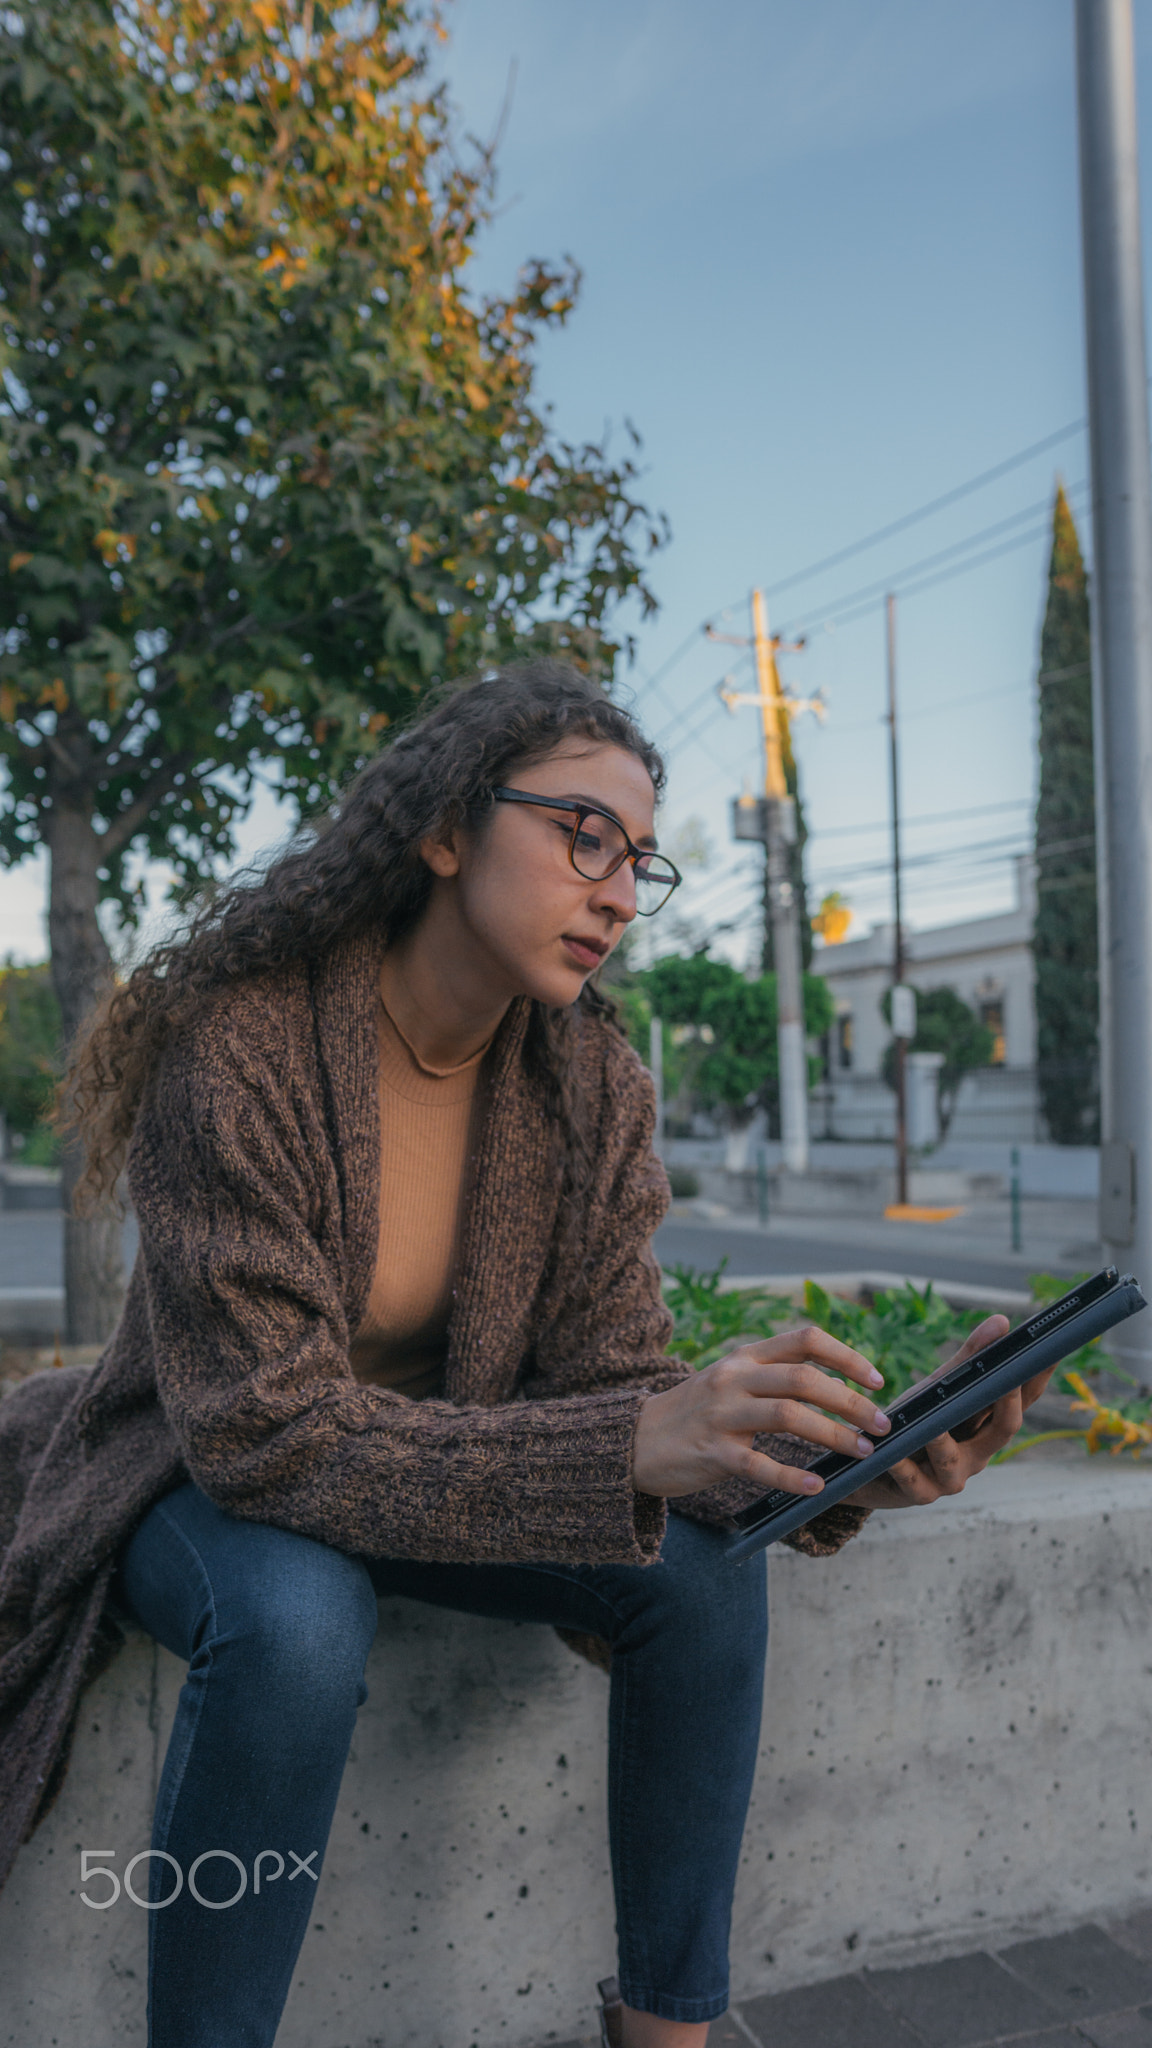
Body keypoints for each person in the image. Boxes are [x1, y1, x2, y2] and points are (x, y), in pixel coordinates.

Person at [0, 661, 1051, 2048]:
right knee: (300, 1627)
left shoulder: (589, 1078)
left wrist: (851, 1460)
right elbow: (266, 1434)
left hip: (450, 1473)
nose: (620, 891)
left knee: (701, 1579)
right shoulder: (241, 1044)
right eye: (584, 836)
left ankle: (667, 2029)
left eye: (640, 862)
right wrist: (633, 1442)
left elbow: (615, 1381)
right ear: (446, 830)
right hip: (205, 1474)